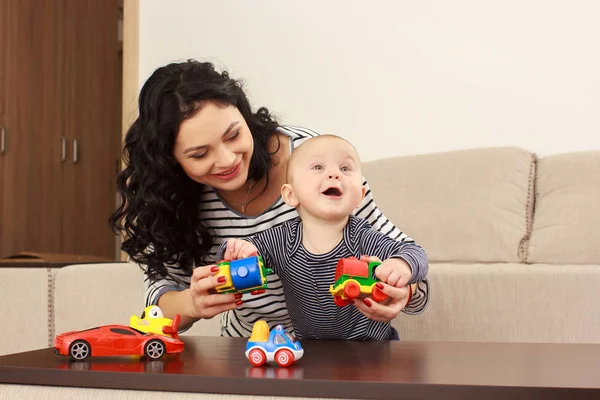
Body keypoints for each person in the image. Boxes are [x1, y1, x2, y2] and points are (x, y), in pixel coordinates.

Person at [109, 59, 430, 337]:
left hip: (344, 350)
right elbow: (158, 300)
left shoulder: (316, 160)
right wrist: (192, 304)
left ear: (244, 115)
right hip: (252, 349)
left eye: (233, 134)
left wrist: (399, 288)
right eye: (199, 154)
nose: (227, 160)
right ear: (172, 161)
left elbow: (408, 267)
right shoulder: (175, 197)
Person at [218, 135, 428, 340]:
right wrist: (238, 248)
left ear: (360, 197)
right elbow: (246, 247)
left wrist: (401, 265)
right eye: (318, 167)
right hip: (312, 351)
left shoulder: (363, 238)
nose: (334, 174)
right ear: (291, 195)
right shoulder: (282, 240)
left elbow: (415, 253)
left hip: (372, 350)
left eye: (345, 168)